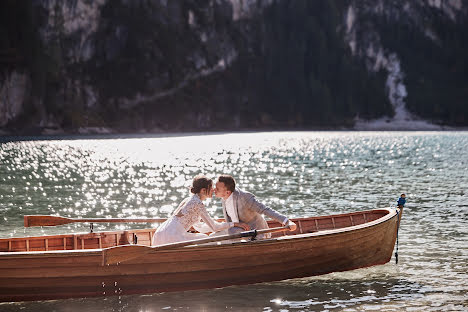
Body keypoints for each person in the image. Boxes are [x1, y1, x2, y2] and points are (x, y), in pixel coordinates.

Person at [153, 175, 240, 246]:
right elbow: (214, 227)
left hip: (160, 233)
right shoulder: (198, 203)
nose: (213, 190)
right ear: (203, 190)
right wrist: (233, 224)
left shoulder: (189, 199)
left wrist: (221, 224)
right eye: (211, 187)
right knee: (206, 240)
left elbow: (199, 227)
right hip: (172, 236)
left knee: (203, 237)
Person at [213, 174, 297, 239]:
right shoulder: (224, 197)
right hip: (238, 232)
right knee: (214, 235)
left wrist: (287, 221)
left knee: (232, 231)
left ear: (227, 192)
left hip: (257, 234)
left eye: (217, 189)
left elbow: (265, 209)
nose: (214, 190)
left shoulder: (245, 197)